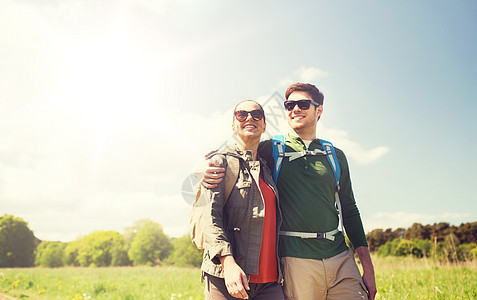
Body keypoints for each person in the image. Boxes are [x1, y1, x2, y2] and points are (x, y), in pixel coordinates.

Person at [203, 83, 377, 300]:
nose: (295, 109)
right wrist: (203, 167)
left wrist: (368, 268)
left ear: (319, 110)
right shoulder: (271, 149)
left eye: (303, 104)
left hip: (340, 257)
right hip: (296, 259)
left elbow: (350, 211)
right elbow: (239, 151)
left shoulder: (335, 155)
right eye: (289, 105)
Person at [197, 100, 285, 299]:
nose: (249, 118)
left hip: (270, 282)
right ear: (233, 125)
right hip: (227, 278)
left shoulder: (268, 167)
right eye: (241, 114)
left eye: (256, 114)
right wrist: (228, 263)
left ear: (264, 125)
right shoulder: (220, 162)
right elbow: (210, 220)